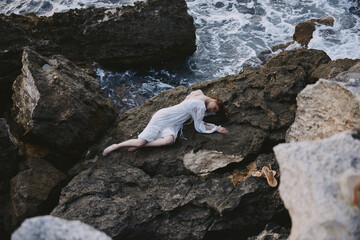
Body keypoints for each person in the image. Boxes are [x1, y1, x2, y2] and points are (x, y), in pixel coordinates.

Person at [102, 89, 229, 156]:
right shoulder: (200, 106)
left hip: (174, 123)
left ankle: (144, 145)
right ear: (214, 99)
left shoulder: (199, 92)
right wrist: (216, 128)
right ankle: (116, 146)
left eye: (214, 111)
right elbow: (199, 126)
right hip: (164, 117)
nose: (212, 110)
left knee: (168, 140)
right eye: (215, 108)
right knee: (139, 141)